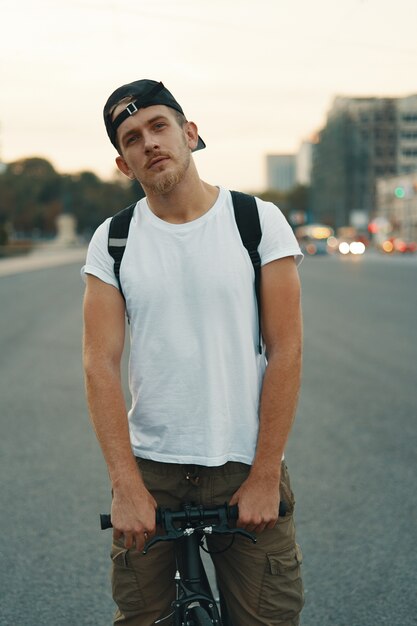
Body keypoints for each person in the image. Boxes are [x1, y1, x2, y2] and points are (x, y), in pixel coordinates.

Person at [82, 79, 304, 626]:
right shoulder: (114, 239)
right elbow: (99, 364)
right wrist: (126, 485)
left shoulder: (256, 221)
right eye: (132, 138)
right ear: (123, 163)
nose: (149, 142)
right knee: (141, 619)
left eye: (159, 126)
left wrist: (265, 475)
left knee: (269, 618)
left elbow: (287, 349)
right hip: (151, 470)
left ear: (189, 132)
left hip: (242, 462)